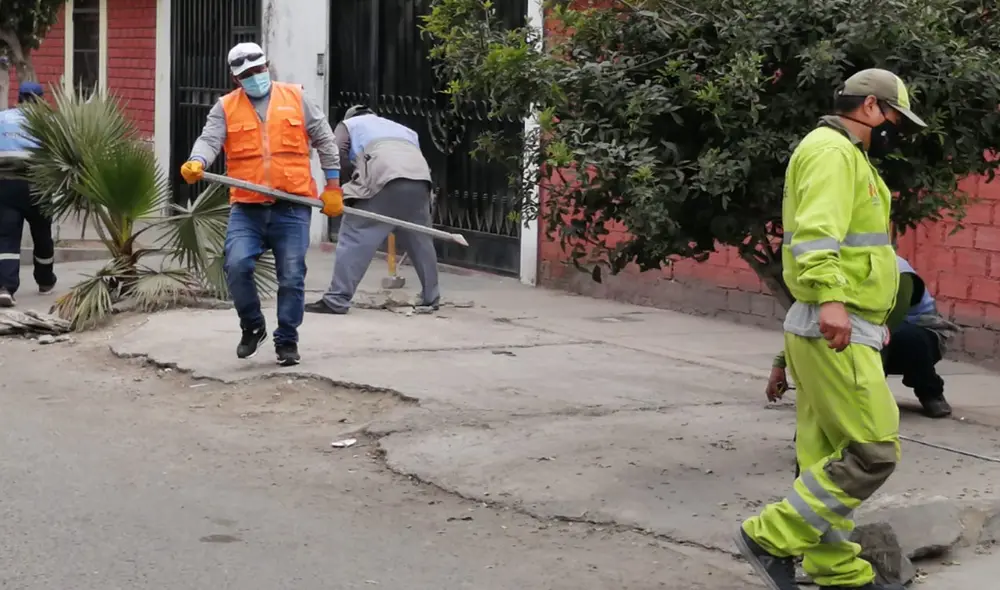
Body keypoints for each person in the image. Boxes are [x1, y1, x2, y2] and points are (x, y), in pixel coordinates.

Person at [736, 69, 927, 590]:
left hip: (829, 327)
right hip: (836, 328)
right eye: (893, 118)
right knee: (873, 451)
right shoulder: (833, 152)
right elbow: (817, 238)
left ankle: (838, 571)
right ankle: (769, 535)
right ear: (869, 107)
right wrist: (835, 303)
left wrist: (785, 357)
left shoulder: (842, 153)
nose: (895, 130)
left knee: (824, 461)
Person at [179, 42, 343, 366]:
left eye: (259, 70)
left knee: (292, 275)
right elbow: (210, 139)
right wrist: (197, 160)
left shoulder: (296, 97)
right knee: (237, 264)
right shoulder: (225, 107)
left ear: (267, 65)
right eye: (247, 74)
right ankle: (252, 325)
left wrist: (334, 186)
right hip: (247, 207)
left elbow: (324, 139)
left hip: (292, 205)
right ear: (235, 78)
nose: (255, 77)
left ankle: (287, 341)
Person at [768, 255, 960, 419]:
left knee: (904, 337)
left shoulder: (897, 270)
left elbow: (887, 328)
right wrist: (780, 364)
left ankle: (930, 392)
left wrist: (866, 391)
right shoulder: (834, 274)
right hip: (868, 331)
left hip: (918, 334)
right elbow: (813, 325)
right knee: (837, 337)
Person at [304, 105, 440, 315]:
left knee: (354, 235)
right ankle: (431, 297)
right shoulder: (404, 130)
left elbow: (336, 152)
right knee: (420, 239)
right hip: (420, 181)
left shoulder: (349, 124)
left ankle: (337, 299)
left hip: (383, 178)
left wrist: (344, 184)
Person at [0, 81, 57, 307]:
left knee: (6, 237)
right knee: (42, 234)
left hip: (6, 186)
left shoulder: (2, 118)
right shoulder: (49, 122)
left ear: (19, 97)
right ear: (41, 99)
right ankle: (45, 281)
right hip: (39, 186)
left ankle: (5, 287)